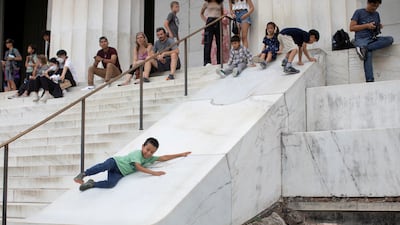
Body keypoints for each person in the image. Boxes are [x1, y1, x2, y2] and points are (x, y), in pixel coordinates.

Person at [73, 137, 191, 191]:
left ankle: (92, 184)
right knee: (104, 166)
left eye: (152, 152)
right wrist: (154, 173)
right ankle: (83, 174)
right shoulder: (137, 154)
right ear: (142, 147)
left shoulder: (150, 158)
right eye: (147, 149)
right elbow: (138, 167)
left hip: (120, 173)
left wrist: (181, 154)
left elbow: (164, 157)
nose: (149, 153)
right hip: (115, 163)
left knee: (111, 184)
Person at [350, 0, 393, 82]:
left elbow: (376, 32)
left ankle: (362, 48)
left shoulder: (376, 14)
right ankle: (370, 81)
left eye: (377, 6)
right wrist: (367, 26)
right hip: (361, 39)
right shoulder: (358, 12)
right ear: (368, 3)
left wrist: (378, 27)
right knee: (368, 54)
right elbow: (351, 28)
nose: (375, 8)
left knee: (390, 39)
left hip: (372, 39)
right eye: (373, 5)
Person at [201, 0, 224, 66]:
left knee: (219, 42)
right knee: (208, 42)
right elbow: (201, 13)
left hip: (218, 20)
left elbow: (222, 13)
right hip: (210, 20)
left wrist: (220, 19)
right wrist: (206, 21)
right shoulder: (207, 3)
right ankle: (207, 61)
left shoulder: (220, 3)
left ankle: (219, 60)